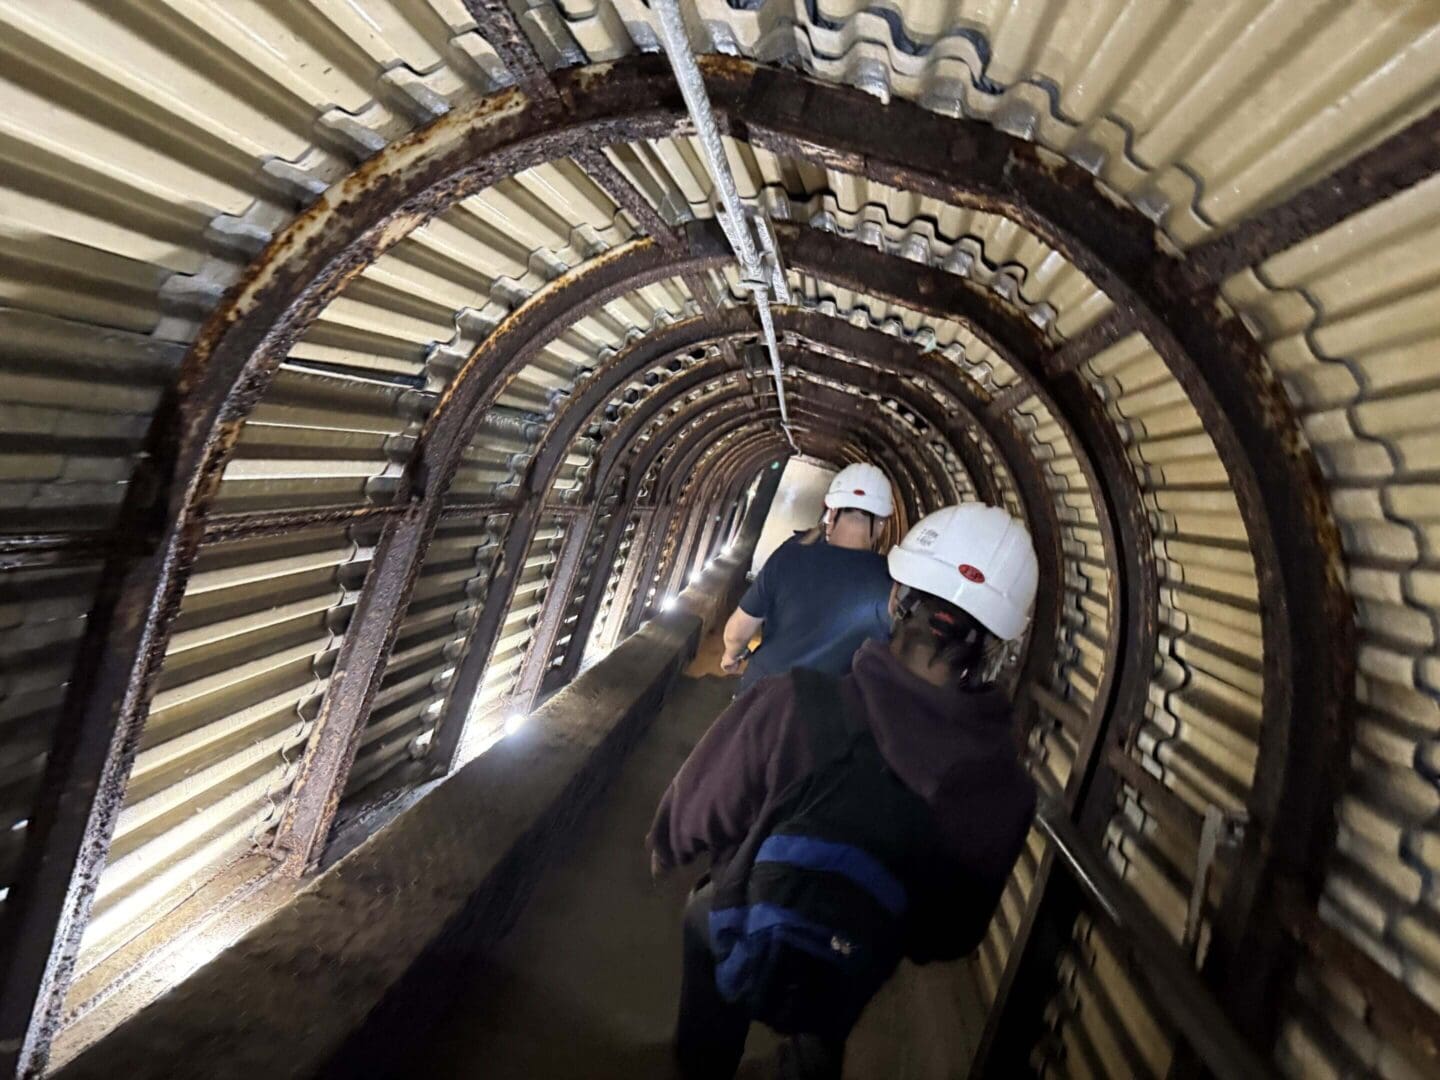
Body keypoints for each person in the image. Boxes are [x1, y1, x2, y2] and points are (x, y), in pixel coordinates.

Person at [648, 504, 1040, 1080]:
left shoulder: (790, 703)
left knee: (704, 922)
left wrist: (670, 845)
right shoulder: (1003, 794)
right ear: (998, 646)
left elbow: (691, 816)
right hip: (855, 961)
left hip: (743, 914)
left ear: (896, 599)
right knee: (836, 989)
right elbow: (949, 935)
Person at [721, 463, 895, 692]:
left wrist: (731, 656)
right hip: (825, 713)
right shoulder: (891, 583)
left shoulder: (790, 555)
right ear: (881, 524)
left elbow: (738, 631)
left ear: (831, 512)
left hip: (763, 694)